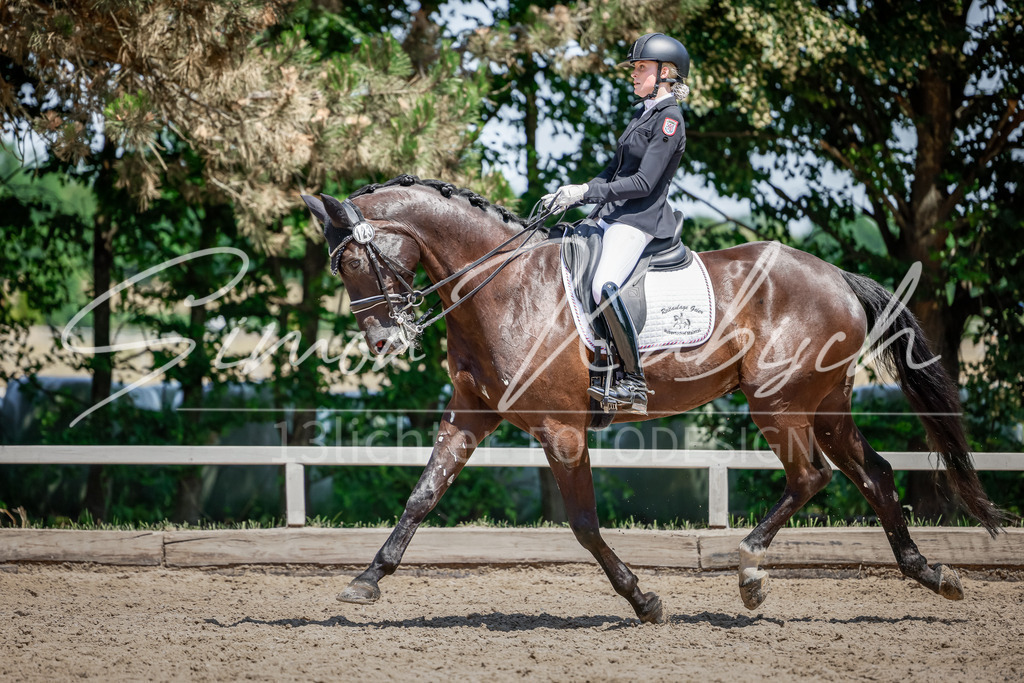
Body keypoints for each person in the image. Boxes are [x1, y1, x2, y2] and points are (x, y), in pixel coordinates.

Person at [542, 32, 690, 414]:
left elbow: (642, 183)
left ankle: (632, 380)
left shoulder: (670, 120)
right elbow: (613, 170)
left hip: (639, 220)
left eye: (642, 67)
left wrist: (586, 195)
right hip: (611, 215)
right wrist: (575, 190)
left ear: (666, 73)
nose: (634, 74)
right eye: (636, 68)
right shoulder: (643, 114)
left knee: (604, 285)